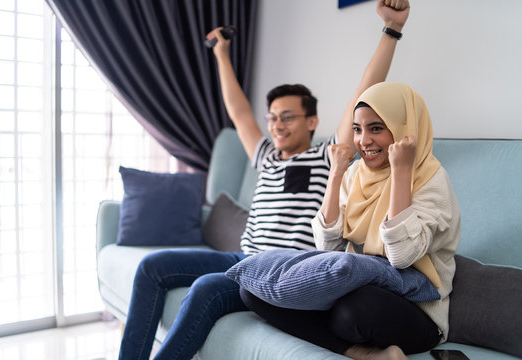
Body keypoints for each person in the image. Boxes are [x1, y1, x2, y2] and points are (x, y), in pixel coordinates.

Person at [118, 1, 410, 359]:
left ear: (312, 121)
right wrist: (222, 53)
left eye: (287, 117)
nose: (277, 125)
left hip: (281, 270)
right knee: (152, 266)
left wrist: (391, 30)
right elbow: (238, 110)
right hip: (241, 259)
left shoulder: (328, 155)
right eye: (272, 119)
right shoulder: (266, 157)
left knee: (206, 289)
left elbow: (365, 91)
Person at [239, 81, 461, 360]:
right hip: (351, 290)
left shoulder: (431, 179)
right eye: (357, 129)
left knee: (355, 309)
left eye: (376, 128)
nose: (363, 141)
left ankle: (347, 335)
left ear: (406, 130)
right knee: (253, 291)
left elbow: (401, 256)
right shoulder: (355, 174)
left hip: (415, 313)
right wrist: (336, 175)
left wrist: (401, 172)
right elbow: (327, 248)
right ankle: (360, 352)